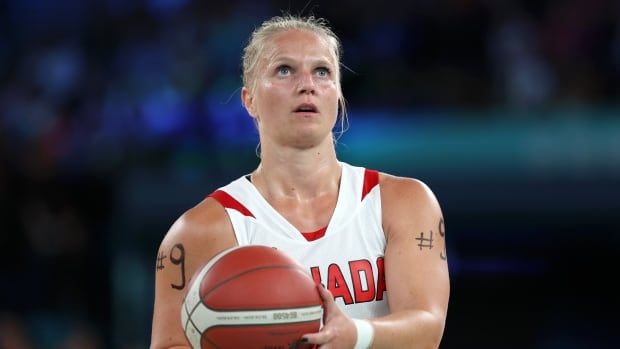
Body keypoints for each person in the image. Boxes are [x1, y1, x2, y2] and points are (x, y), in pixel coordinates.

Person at [150, 14, 449, 349]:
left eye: (322, 71)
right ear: (249, 100)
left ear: (337, 95)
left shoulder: (402, 202)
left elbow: (427, 327)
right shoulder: (202, 229)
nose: (307, 84)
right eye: (284, 70)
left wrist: (355, 336)